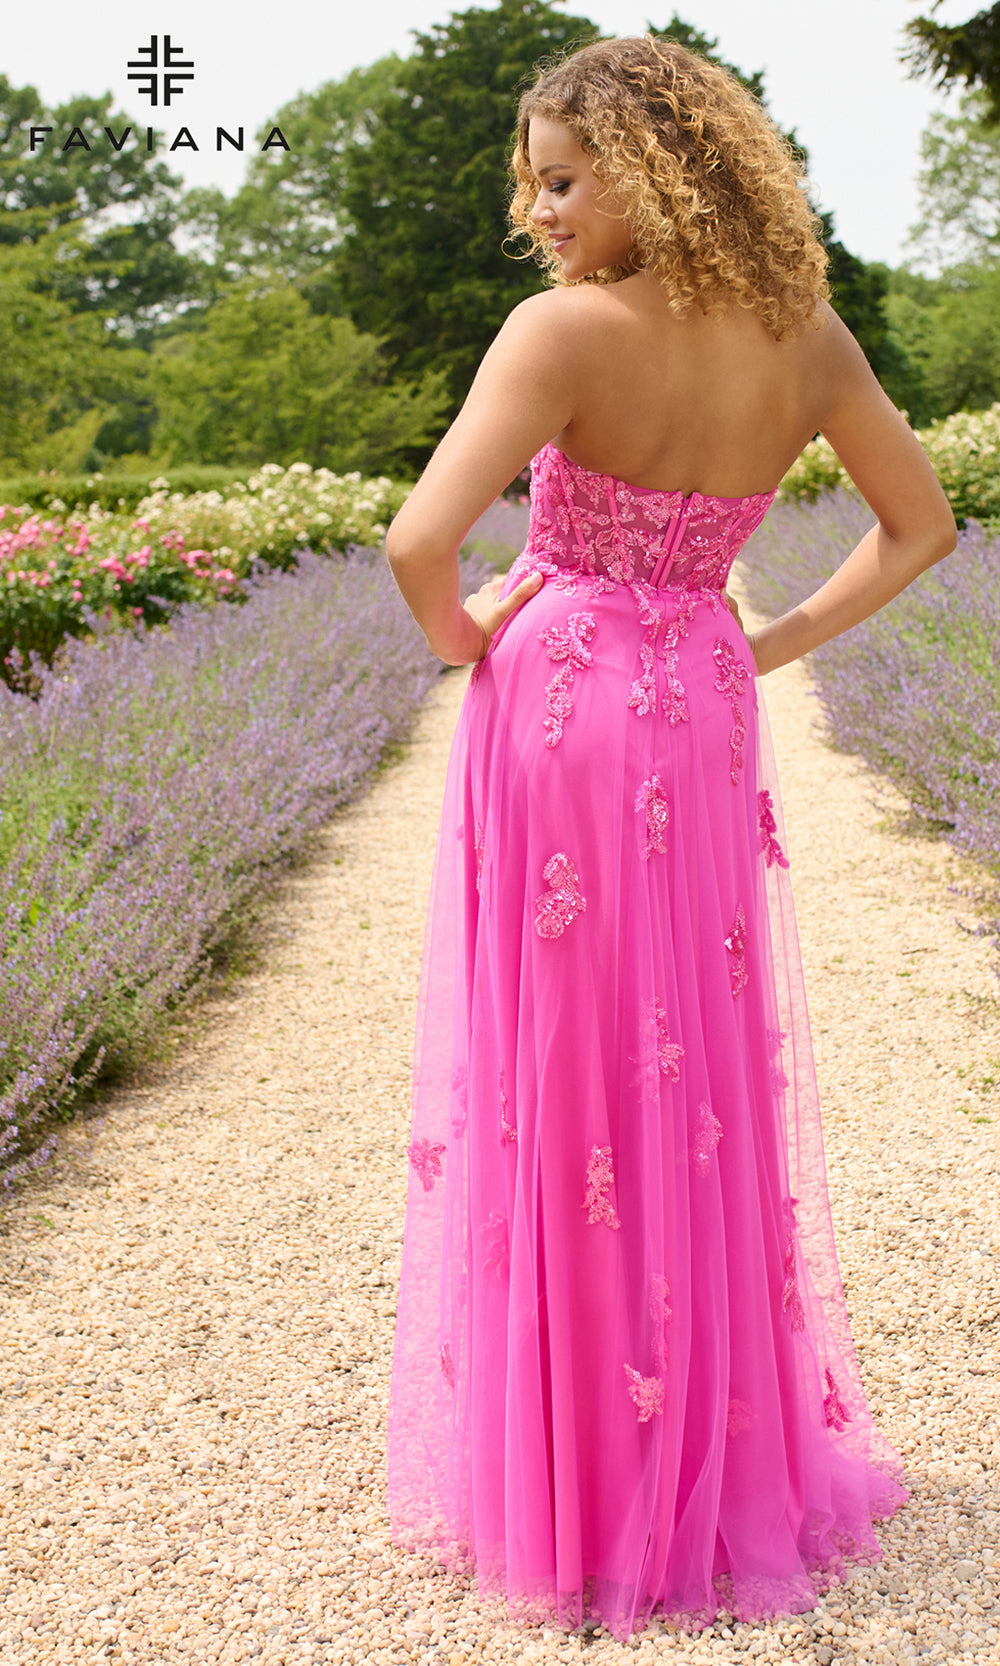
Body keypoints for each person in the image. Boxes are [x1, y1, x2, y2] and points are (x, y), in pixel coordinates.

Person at [383, 34, 955, 1642]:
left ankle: (578, 1478)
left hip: (561, 698)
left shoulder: (561, 336)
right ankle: (704, 1446)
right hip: (700, 693)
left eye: (562, 176)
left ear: (656, 165)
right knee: (687, 1073)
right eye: (533, 183)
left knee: (567, 1069)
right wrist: (760, 645)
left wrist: (465, 635)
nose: (539, 211)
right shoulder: (807, 335)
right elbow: (925, 527)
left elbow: (423, 541)